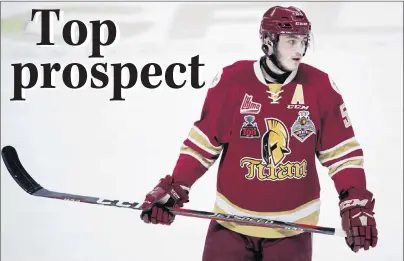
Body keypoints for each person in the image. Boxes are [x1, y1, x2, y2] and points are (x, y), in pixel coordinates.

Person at [139, 5, 378, 261]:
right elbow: (203, 145)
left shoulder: (320, 88)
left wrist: (355, 201)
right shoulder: (232, 82)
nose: (299, 50)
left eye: (303, 41)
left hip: (292, 230)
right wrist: (175, 186)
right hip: (230, 226)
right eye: (291, 41)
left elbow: (342, 155)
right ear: (268, 42)